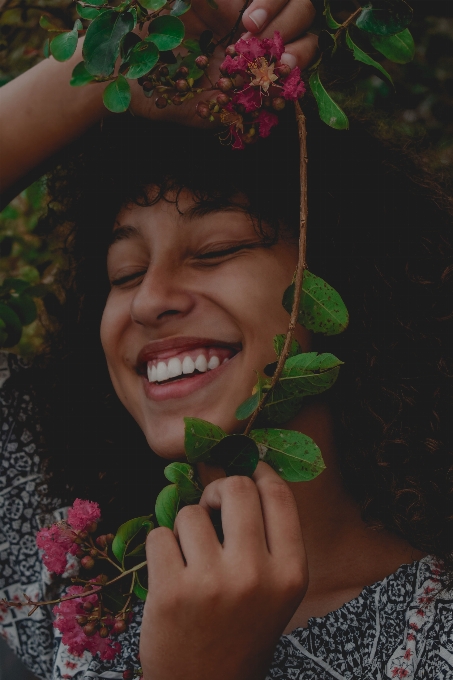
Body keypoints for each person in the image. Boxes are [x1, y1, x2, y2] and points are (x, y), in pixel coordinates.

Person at [0, 1, 452, 679]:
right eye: (123, 273)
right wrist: (108, 65)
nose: (150, 299)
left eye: (216, 249)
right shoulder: (58, 551)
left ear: (340, 287)